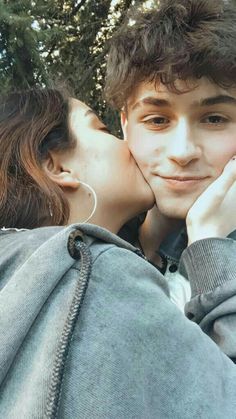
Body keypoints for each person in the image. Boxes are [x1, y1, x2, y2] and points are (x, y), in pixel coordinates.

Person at [1, 88, 236, 419]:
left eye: (214, 119)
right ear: (57, 166)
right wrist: (212, 248)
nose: (180, 152)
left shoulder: (20, 264)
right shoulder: (94, 271)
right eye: (101, 128)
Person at [105, 0, 236, 312]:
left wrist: (211, 252)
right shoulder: (83, 237)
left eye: (214, 119)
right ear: (125, 124)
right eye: (157, 120)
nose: (182, 152)